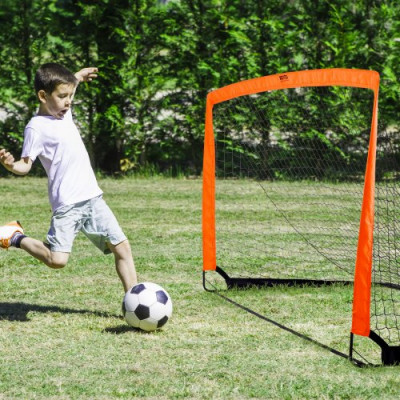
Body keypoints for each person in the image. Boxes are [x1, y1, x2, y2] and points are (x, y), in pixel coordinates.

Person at [0, 63, 137, 293]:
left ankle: (134, 298)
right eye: (63, 96)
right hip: (67, 204)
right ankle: (14, 236)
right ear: (43, 96)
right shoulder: (36, 128)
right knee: (57, 260)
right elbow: (25, 165)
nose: (68, 101)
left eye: (71, 96)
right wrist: (11, 165)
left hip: (93, 198)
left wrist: (78, 77)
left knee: (122, 247)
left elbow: (65, 86)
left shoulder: (63, 111)